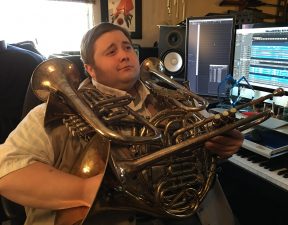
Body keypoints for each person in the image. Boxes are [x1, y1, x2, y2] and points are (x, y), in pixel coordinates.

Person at [0, 22, 244, 225]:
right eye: (111, 51)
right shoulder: (55, 113)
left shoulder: (176, 100)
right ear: (90, 69)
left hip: (194, 213)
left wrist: (223, 144)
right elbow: (7, 170)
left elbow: (208, 141)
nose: (124, 54)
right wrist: (87, 191)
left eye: (127, 47)